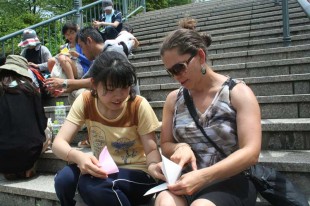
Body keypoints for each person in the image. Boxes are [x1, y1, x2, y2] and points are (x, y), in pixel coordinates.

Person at [155, 28, 262, 206]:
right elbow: (165, 145)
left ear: (201, 57)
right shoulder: (174, 99)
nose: (176, 77)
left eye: (179, 68)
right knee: (165, 202)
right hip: (186, 179)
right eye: (170, 72)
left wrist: (203, 176)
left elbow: (251, 152)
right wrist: (180, 147)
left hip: (230, 179)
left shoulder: (238, 93)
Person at [52, 51, 164, 206]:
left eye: (124, 88)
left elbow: (151, 150)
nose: (118, 96)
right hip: (102, 169)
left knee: (93, 185)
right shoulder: (86, 101)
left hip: (137, 175)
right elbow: (58, 143)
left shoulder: (138, 105)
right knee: (64, 180)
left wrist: (154, 167)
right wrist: (79, 157)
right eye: (110, 89)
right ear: (94, 84)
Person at [0, 55, 50, 180]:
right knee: (48, 130)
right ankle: (28, 167)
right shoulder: (31, 90)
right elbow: (42, 124)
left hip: (2, 156)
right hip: (29, 152)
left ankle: (9, 169)